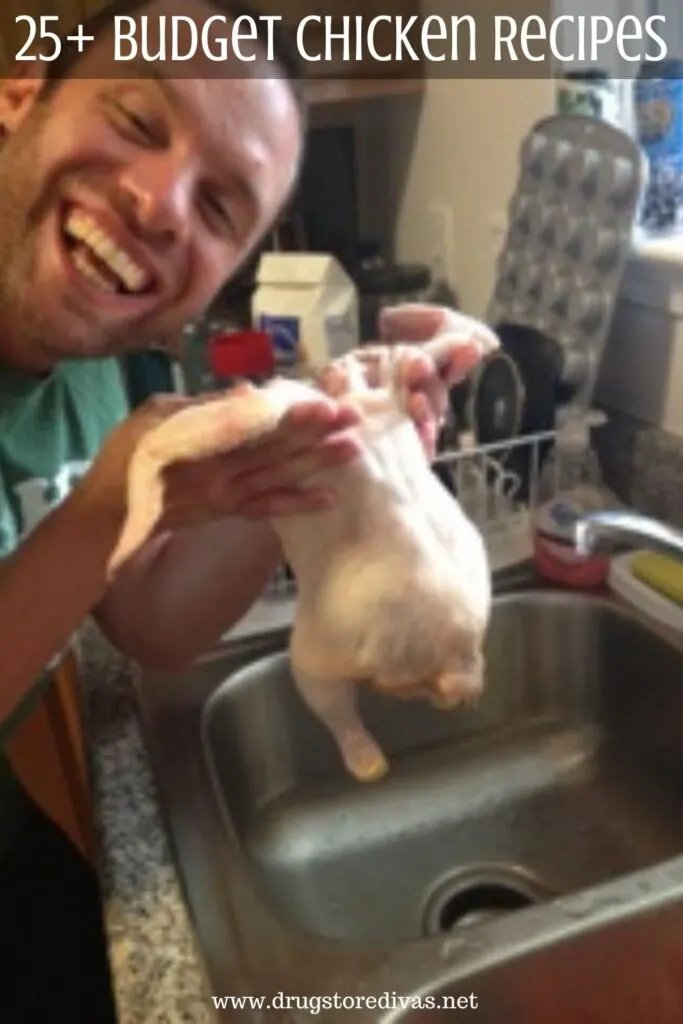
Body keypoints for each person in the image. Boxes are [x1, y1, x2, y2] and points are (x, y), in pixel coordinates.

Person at [0, 0, 492, 1018]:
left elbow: (148, 621)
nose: (161, 203)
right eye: (136, 120)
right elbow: (101, 533)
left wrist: (310, 461)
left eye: (221, 208)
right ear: (15, 103)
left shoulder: (107, 363)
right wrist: (107, 502)